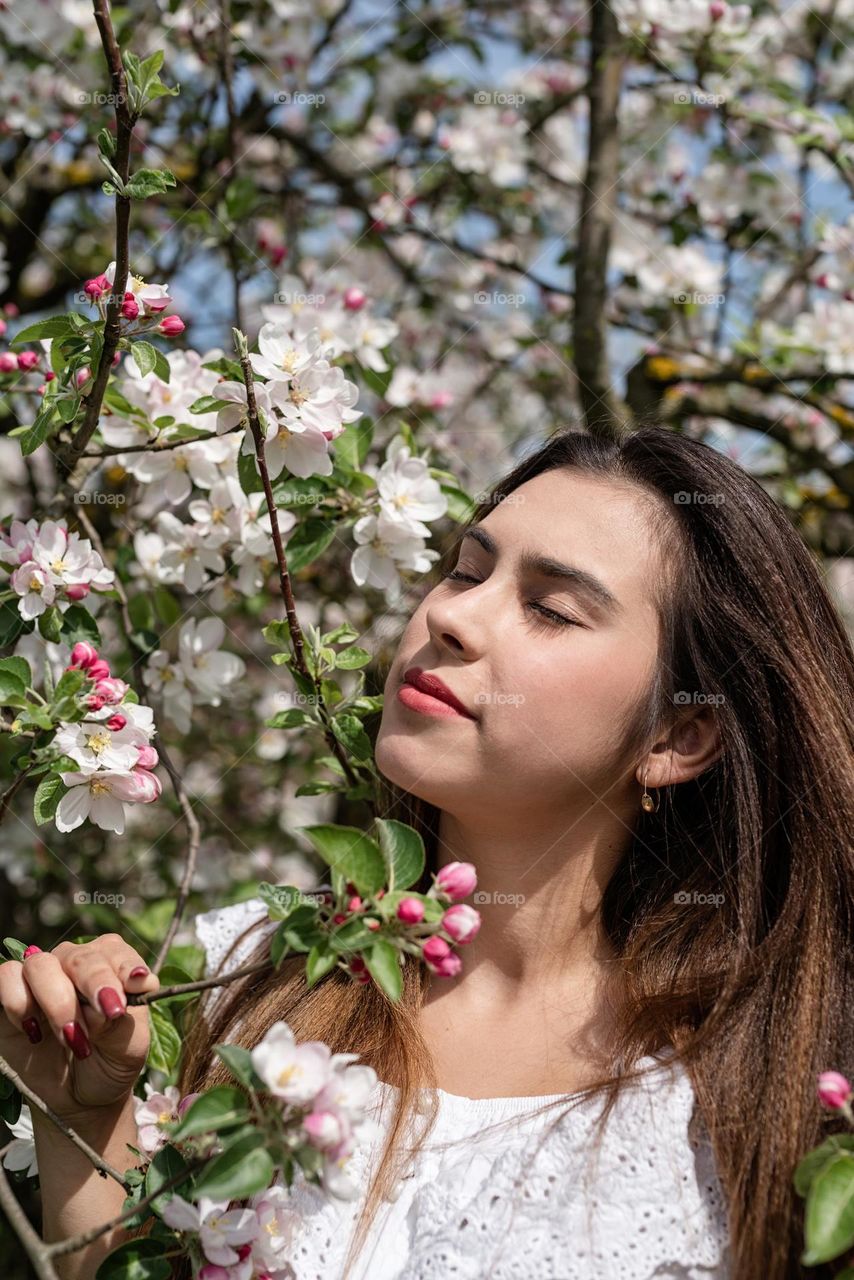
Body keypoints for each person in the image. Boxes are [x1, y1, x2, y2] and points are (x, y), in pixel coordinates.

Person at [3, 426, 852, 1279]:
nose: (449, 615)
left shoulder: (749, 1099)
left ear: (678, 732)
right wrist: (83, 1114)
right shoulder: (260, 988)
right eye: (466, 568)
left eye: (550, 609)